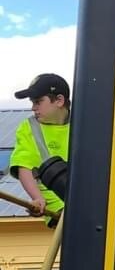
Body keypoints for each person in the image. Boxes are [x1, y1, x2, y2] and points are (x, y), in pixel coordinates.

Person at [10, 74, 71, 220]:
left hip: (89, 204)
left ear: (59, 100)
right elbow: (24, 167)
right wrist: (37, 199)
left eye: (38, 102)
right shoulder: (29, 127)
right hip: (57, 209)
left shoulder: (85, 122)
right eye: (32, 102)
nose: (33, 108)